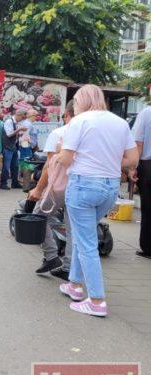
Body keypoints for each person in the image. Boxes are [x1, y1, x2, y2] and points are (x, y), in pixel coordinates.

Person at [58, 85, 139, 317]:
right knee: (85, 235)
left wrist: (58, 151)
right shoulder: (120, 122)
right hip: (110, 186)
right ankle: (74, 285)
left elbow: (66, 158)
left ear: (83, 100)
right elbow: (132, 158)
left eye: (75, 100)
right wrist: (111, 162)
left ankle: (96, 300)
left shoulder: (79, 121)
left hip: (83, 185)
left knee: (86, 243)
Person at [28, 100, 75, 280]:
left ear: (66, 115)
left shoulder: (59, 133)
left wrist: (39, 189)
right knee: (73, 228)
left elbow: (49, 165)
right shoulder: (91, 134)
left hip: (58, 187)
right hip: (80, 187)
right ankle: (69, 267)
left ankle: (51, 256)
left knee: (38, 216)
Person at [131, 104, 151, 259]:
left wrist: (133, 168)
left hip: (148, 165)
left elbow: (138, 143)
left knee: (148, 209)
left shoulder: (146, 113)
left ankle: (148, 248)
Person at [0, 109, 27, 189]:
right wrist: (19, 130)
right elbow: (9, 134)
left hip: (14, 146)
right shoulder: (9, 121)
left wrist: (19, 133)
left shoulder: (16, 122)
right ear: (18, 115)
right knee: (6, 166)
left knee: (15, 165)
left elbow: (14, 134)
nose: (23, 119)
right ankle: (3, 184)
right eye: (22, 117)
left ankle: (15, 183)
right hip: (7, 146)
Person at [19, 109, 39, 191]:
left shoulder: (26, 123)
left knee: (25, 164)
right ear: (32, 116)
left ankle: (25, 185)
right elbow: (24, 137)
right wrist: (29, 147)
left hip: (25, 146)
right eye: (36, 116)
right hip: (26, 146)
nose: (36, 118)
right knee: (28, 165)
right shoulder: (28, 124)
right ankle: (26, 186)